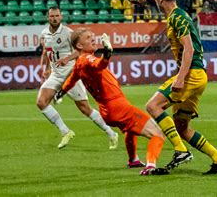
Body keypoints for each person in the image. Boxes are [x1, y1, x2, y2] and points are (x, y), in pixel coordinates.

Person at [55, 29, 168, 175]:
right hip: (117, 106)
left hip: (107, 111)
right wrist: (108, 52)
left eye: (92, 36)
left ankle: (133, 159)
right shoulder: (86, 59)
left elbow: (71, 80)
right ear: (79, 46)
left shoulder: (78, 64)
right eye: (88, 37)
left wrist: (61, 92)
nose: (93, 39)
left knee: (130, 129)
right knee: (158, 134)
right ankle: (150, 166)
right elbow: (99, 65)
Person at [145, 0, 217, 175]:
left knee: (153, 106)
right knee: (181, 127)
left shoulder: (177, 16)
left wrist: (180, 78)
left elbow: (189, 49)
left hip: (191, 74)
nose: (154, 0)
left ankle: (181, 150)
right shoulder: (175, 17)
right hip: (198, 76)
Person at [36, 7, 118, 149]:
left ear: (61, 17)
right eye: (51, 16)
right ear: (47, 17)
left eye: (57, 16)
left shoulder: (68, 33)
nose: (54, 18)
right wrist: (48, 68)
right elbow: (48, 52)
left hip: (71, 73)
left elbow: (79, 50)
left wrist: (67, 58)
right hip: (56, 75)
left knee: (85, 109)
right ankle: (65, 131)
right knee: (41, 102)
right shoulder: (44, 34)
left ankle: (111, 133)